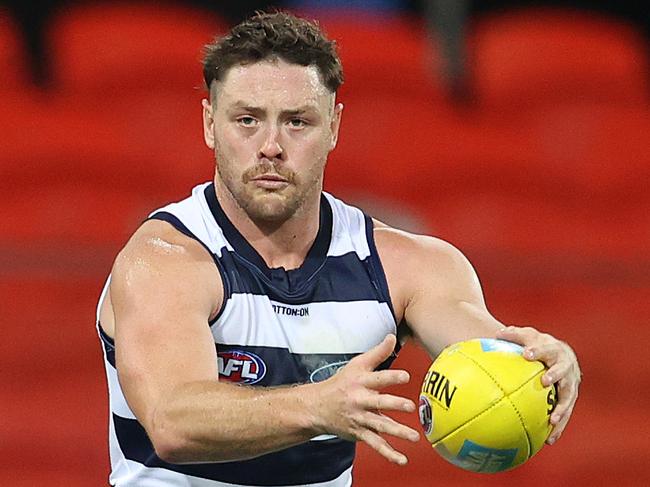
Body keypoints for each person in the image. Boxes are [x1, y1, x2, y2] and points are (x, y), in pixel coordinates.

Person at [96, 11, 581, 487]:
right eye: (247, 120)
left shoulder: (408, 266)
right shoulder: (163, 259)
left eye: (297, 122)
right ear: (209, 123)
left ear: (334, 126)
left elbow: (491, 357)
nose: (270, 145)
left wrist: (543, 364)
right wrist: (316, 406)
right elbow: (172, 421)